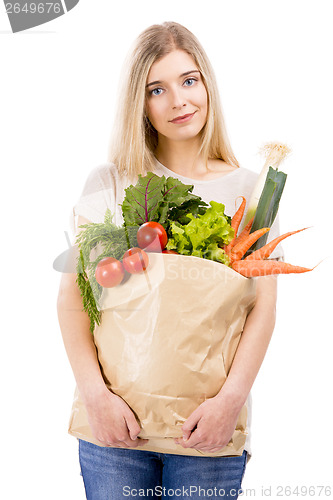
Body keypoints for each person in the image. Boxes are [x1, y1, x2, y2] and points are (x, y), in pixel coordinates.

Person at [57, 21, 283, 499]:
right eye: (156, 89)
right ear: (139, 104)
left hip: (208, 429)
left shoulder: (251, 191)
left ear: (207, 85)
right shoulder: (110, 182)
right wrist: (96, 399)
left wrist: (230, 401)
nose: (178, 101)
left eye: (189, 80)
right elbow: (75, 300)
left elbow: (262, 310)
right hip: (115, 428)